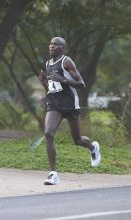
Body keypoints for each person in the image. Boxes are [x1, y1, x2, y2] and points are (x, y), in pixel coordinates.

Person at [39, 37, 101, 185]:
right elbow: (52, 86)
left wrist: (62, 79)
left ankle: (93, 147)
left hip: (70, 105)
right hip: (54, 104)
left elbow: (81, 84)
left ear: (62, 48)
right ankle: (53, 174)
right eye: (51, 43)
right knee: (48, 133)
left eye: (56, 44)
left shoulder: (66, 62)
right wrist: (44, 81)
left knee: (77, 140)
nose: (52, 46)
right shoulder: (48, 63)